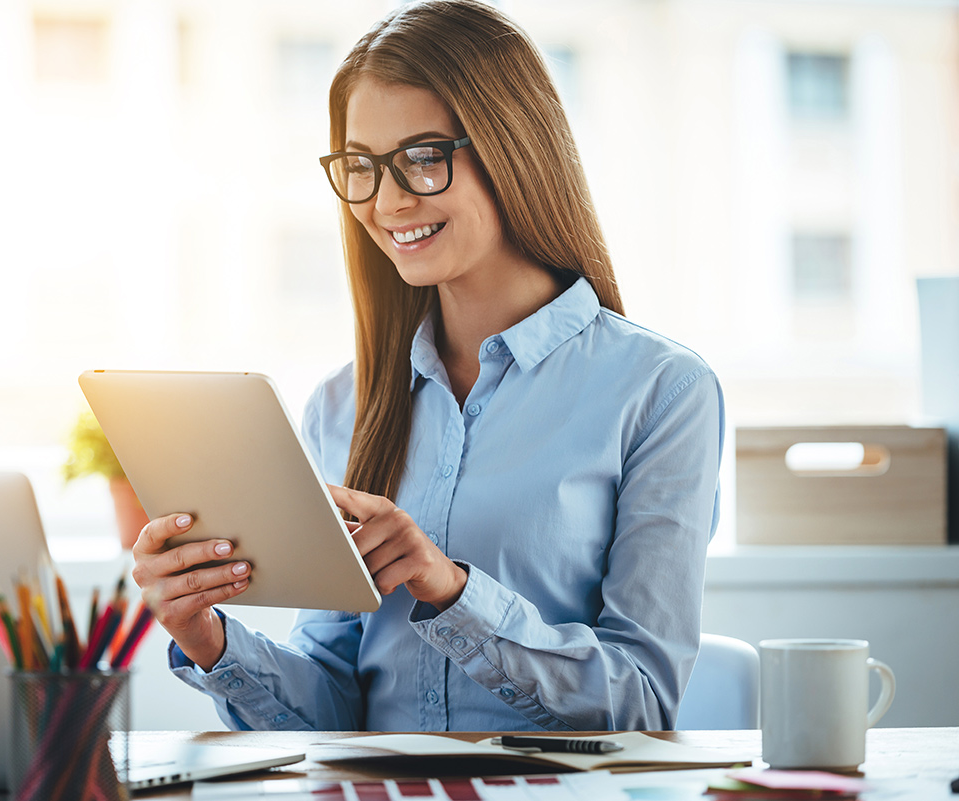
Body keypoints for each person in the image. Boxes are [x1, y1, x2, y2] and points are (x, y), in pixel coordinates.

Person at [131, 0, 725, 732]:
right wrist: (205, 634)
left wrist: (448, 587)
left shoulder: (661, 390)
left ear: (515, 148)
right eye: (362, 166)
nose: (385, 201)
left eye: (422, 157)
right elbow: (336, 707)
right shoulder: (342, 404)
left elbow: (640, 700)